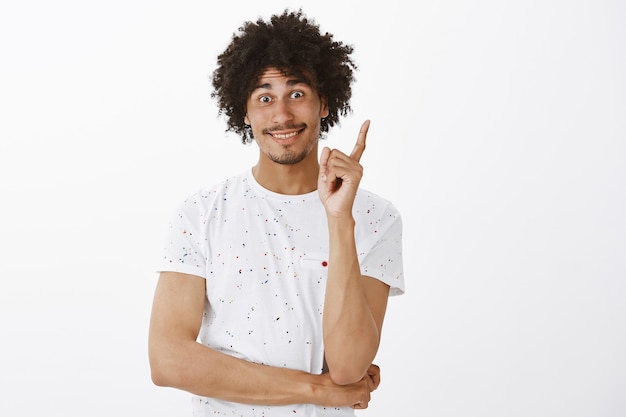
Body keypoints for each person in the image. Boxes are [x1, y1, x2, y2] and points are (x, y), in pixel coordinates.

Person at [148, 9, 405, 416]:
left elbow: (348, 366)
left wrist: (339, 219)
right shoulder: (199, 214)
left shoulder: (374, 218)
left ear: (324, 103)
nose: (282, 115)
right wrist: (319, 391)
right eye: (265, 98)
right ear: (244, 112)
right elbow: (168, 360)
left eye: (297, 93)